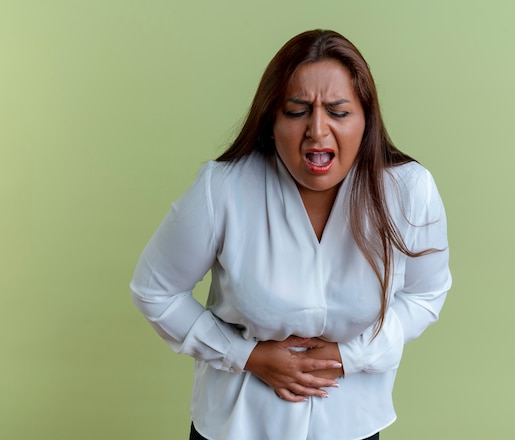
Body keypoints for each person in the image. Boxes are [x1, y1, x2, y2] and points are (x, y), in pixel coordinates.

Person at [131, 29, 451, 440]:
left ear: (366, 119)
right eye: (297, 110)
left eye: (338, 112)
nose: (317, 130)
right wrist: (246, 356)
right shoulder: (223, 188)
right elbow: (153, 290)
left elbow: (427, 294)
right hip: (236, 427)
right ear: (272, 119)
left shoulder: (409, 191)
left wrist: (352, 356)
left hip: (352, 425)